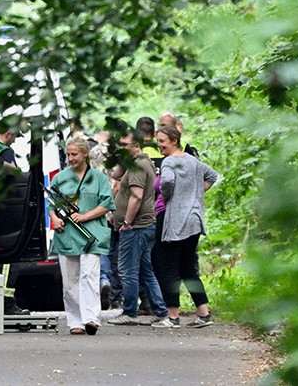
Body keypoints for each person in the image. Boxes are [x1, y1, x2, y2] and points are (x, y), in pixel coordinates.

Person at [48, 137, 115, 336]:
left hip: (92, 234)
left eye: (74, 154)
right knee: (70, 281)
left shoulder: (99, 178)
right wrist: (55, 219)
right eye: (68, 154)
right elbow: (52, 204)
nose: (71, 158)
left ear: (85, 153)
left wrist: (85, 216)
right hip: (67, 234)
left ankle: (91, 319)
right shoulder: (60, 178)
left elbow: (107, 204)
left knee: (89, 276)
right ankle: (75, 321)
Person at [153, 125, 217, 328]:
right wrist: (195, 195)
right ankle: (204, 313)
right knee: (188, 267)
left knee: (166, 266)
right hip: (194, 220)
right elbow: (212, 176)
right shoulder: (193, 161)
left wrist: (167, 195)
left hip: (175, 221)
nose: (159, 145)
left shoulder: (169, 161)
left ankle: (173, 316)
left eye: (162, 141)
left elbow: (168, 181)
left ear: (174, 140)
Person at [105, 130, 171, 327]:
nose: (120, 148)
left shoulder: (138, 167)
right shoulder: (136, 163)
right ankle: (160, 310)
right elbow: (116, 175)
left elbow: (137, 196)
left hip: (136, 227)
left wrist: (126, 222)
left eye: (125, 145)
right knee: (145, 271)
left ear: (136, 146)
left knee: (128, 270)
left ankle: (130, 311)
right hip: (143, 226)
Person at [0, 124, 29, 316]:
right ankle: (7, 303)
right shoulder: (5, 152)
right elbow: (13, 177)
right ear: (8, 134)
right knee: (9, 260)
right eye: (15, 137)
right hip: (5, 210)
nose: (15, 140)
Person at [88, 130, 122, 310]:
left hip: (98, 209)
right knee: (117, 252)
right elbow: (118, 184)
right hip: (116, 209)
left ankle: (103, 279)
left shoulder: (94, 153)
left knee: (102, 250)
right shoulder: (121, 156)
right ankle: (117, 296)